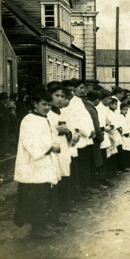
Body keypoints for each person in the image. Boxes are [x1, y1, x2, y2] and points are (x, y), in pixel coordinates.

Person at [13, 90, 62, 239]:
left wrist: (53, 144)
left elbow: (47, 137)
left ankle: (43, 224)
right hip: (33, 164)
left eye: (49, 104)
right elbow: (30, 142)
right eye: (43, 104)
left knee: (44, 194)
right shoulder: (29, 120)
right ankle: (37, 229)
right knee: (36, 197)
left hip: (43, 162)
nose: (46, 107)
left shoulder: (43, 118)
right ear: (35, 104)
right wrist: (50, 147)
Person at [46, 82, 76, 214]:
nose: (59, 99)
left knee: (65, 177)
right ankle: (54, 211)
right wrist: (57, 129)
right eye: (56, 95)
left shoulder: (62, 113)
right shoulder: (47, 114)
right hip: (52, 151)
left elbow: (71, 129)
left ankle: (64, 205)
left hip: (64, 148)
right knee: (53, 180)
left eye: (62, 96)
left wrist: (70, 133)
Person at [0, 92, 12, 157]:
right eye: (6, 98)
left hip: (5, 124)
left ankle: (4, 151)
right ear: (3, 99)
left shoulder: (3, 105)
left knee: (5, 137)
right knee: (4, 138)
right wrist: (4, 123)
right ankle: (3, 152)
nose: (7, 100)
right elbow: (0, 117)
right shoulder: (0, 106)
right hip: (2, 125)